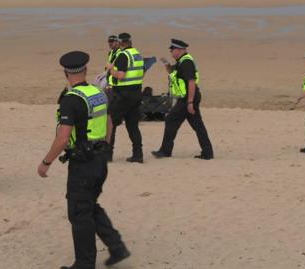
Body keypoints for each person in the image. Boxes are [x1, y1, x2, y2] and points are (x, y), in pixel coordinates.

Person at [37, 51, 130, 269]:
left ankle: (85, 264)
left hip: (83, 163)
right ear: (85, 70)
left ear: (65, 73)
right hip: (99, 159)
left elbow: (62, 139)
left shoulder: (71, 100)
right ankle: (116, 247)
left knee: (79, 212)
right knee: (89, 205)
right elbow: (109, 122)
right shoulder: (98, 93)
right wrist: (105, 146)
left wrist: (46, 163)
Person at [151, 39, 214, 160]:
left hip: (188, 98)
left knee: (170, 120)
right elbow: (173, 72)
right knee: (197, 125)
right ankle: (207, 153)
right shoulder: (181, 61)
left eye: (172, 49)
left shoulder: (186, 63)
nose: (170, 51)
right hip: (189, 97)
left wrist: (190, 102)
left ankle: (165, 151)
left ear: (180, 50)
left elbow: (191, 82)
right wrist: (166, 64)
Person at [106, 33, 144, 163]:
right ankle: (138, 154)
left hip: (124, 94)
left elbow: (121, 75)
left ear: (120, 43)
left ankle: (107, 154)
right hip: (137, 93)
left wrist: (110, 70)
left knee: (110, 122)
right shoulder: (137, 54)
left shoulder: (123, 55)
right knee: (132, 125)